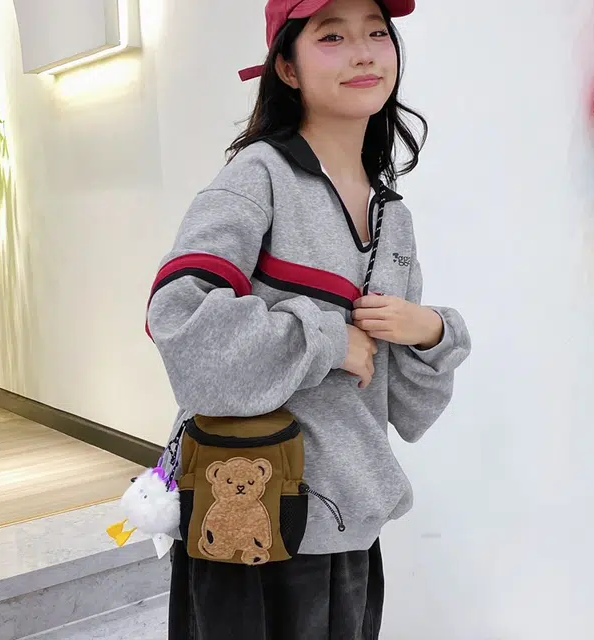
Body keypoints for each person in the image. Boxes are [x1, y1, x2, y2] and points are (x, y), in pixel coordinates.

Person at [147, 0, 471, 638]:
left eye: (376, 32)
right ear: (287, 68)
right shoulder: (256, 177)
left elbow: (411, 411)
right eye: (332, 36)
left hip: (348, 528)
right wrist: (327, 339)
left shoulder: (392, 217)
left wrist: (432, 333)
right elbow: (178, 320)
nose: (363, 52)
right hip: (249, 523)